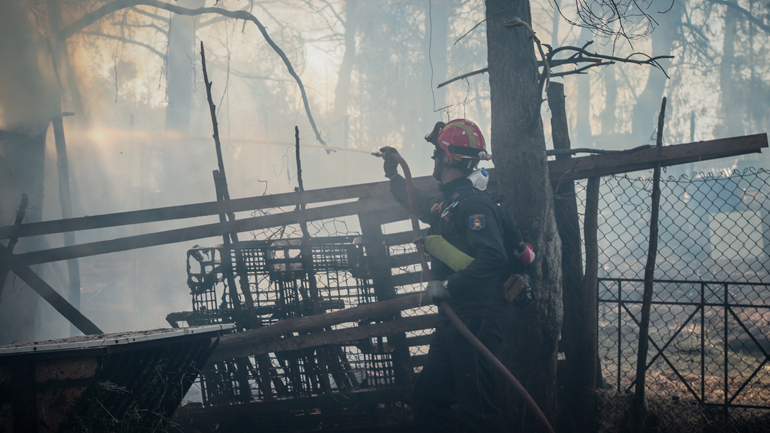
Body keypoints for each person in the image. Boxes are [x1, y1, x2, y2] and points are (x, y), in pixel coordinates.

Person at [379, 119, 534, 433]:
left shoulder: (473, 204)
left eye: (437, 155)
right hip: (457, 318)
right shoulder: (452, 201)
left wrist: (448, 287)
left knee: (479, 411)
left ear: (449, 158)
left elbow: (493, 256)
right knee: (428, 398)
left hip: (476, 319)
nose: (434, 162)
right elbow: (424, 206)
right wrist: (394, 176)